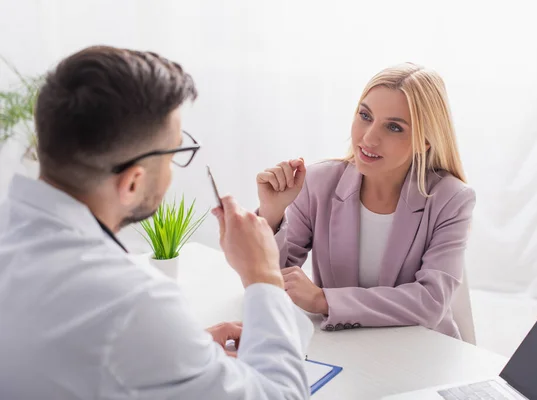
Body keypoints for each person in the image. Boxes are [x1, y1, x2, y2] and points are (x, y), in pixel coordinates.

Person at [0, 46, 312, 399]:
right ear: (132, 182)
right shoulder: (131, 302)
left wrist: (176, 354)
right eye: (175, 153)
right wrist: (264, 276)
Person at [257, 63, 475, 339]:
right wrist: (272, 214)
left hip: (422, 351)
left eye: (394, 127)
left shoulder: (451, 199)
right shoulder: (319, 182)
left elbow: (430, 302)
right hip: (345, 350)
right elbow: (267, 284)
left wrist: (323, 300)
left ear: (425, 141)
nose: (369, 138)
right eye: (365, 116)